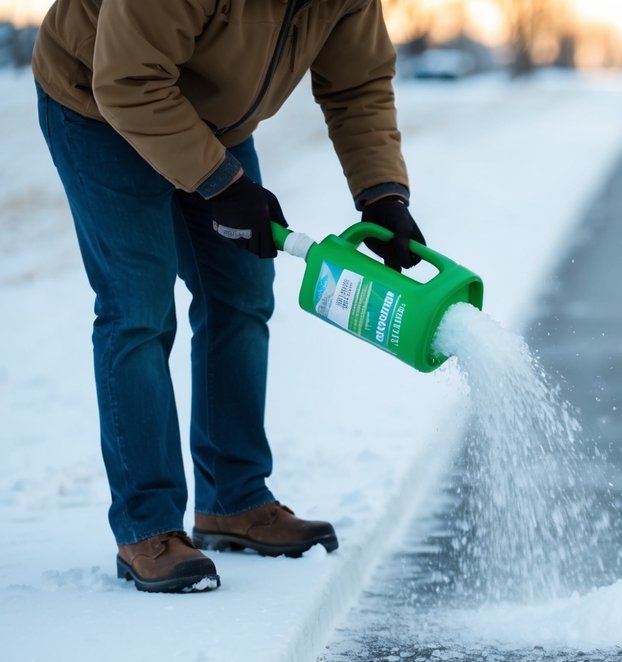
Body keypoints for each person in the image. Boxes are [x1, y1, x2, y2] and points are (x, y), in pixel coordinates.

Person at [32, 0, 425, 594]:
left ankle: (233, 502)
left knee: (241, 293)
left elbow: (358, 84)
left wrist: (381, 195)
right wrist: (221, 184)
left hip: (210, 122)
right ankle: (149, 527)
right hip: (99, 104)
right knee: (137, 306)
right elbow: (129, 80)